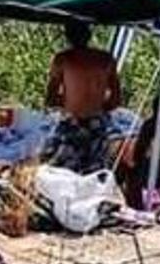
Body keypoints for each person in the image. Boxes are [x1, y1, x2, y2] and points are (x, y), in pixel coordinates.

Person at [44, 21, 122, 173]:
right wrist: (97, 104)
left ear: (67, 37)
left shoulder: (63, 59)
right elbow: (116, 99)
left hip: (72, 122)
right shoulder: (105, 59)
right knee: (95, 172)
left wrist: (69, 103)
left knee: (63, 172)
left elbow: (50, 98)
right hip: (97, 122)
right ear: (89, 35)